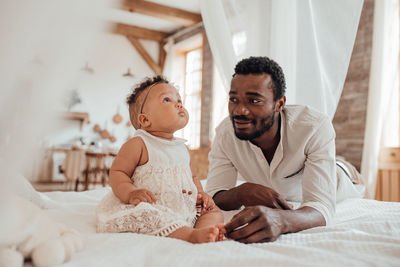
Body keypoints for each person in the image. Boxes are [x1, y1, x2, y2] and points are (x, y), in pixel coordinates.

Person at [205, 56, 362, 243]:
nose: (240, 111)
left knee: (344, 169)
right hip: (291, 189)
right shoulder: (225, 134)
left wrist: (281, 220)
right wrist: (241, 192)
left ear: (279, 104)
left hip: (343, 178)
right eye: (234, 99)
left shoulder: (313, 126)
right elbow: (215, 195)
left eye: (254, 101)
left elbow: (321, 206)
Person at [96, 76, 224, 243]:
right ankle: (190, 236)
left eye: (179, 99)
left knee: (215, 211)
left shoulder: (183, 148)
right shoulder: (139, 144)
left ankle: (202, 230)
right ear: (145, 119)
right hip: (152, 205)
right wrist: (131, 193)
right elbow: (118, 172)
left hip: (182, 208)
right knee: (145, 214)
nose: (179, 104)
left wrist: (200, 194)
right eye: (167, 99)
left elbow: (191, 178)